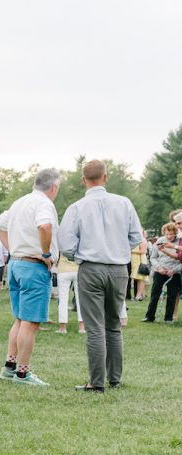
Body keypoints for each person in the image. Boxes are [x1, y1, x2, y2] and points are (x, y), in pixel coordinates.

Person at [58, 159, 142, 392]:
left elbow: (65, 243)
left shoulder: (76, 207)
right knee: (113, 325)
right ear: (106, 177)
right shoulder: (124, 203)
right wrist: (117, 247)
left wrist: (78, 255)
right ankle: (114, 378)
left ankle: (96, 382)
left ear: (84, 180)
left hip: (91, 268)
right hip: (118, 269)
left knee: (95, 327)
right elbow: (136, 236)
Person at [0, 168, 61, 387]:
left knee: (20, 319)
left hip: (15, 264)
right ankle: (22, 373)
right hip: (33, 266)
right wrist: (46, 253)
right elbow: (44, 225)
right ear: (53, 187)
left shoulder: (19, 202)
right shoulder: (43, 204)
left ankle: (9, 366)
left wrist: (13, 249)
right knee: (30, 323)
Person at [141, 222, 180, 324]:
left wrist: (174, 270)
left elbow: (181, 261)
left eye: (171, 234)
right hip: (160, 271)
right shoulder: (160, 241)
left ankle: (168, 318)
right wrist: (158, 267)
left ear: (175, 233)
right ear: (164, 233)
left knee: (171, 296)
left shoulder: (179, 243)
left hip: (174, 272)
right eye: (167, 234)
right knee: (155, 295)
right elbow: (153, 258)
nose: (169, 236)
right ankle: (149, 316)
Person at [55, 256, 85, 334]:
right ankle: (82, 328)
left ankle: (62, 328)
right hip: (78, 269)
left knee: (63, 300)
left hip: (63, 269)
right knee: (81, 300)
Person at [129, 230, 149, 300]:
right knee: (137, 278)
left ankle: (139, 295)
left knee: (141, 278)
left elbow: (143, 251)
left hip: (140, 261)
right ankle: (139, 295)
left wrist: (131, 251)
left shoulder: (142, 240)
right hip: (135, 261)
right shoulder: (135, 240)